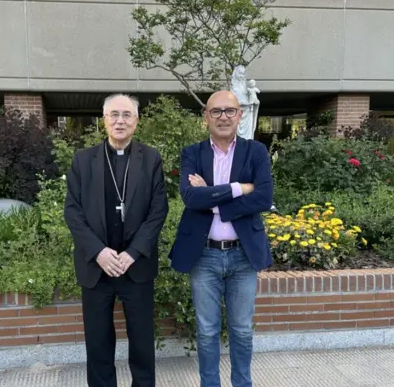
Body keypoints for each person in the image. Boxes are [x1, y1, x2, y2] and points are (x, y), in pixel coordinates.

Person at [169, 90, 274, 387]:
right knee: (206, 330)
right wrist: (240, 188)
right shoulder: (192, 153)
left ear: (240, 115)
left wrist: (211, 197)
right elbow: (190, 197)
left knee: (241, 329)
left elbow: (264, 198)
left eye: (230, 111)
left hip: (243, 256)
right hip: (204, 255)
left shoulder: (256, 152)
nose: (223, 117)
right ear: (206, 117)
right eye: (216, 111)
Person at [64, 93, 169, 387]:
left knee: (142, 343)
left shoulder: (150, 158)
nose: (120, 121)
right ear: (104, 120)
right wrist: (98, 252)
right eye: (114, 115)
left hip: (136, 266)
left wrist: (133, 252)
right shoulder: (83, 160)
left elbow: (158, 210)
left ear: (136, 121)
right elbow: (72, 212)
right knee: (98, 344)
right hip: (97, 267)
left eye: (126, 115)